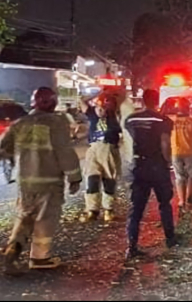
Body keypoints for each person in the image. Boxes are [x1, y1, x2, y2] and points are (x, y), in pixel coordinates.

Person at [1, 87, 82, 274]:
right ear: (51, 102)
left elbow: (3, 149)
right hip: (49, 182)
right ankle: (40, 258)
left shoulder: (20, 124)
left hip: (26, 183)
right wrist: (75, 177)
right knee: (45, 219)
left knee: (25, 216)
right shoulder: (56, 123)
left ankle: (12, 251)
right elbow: (64, 152)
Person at [124, 89, 177, 259]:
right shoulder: (163, 120)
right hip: (157, 166)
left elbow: (131, 138)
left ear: (143, 100)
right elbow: (165, 144)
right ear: (156, 100)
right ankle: (170, 238)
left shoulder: (131, 119)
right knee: (164, 203)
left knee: (137, 208)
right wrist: (168, 163)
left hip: (139, 164)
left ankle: (131, 246)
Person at [79, 93, 123, 223]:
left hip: (109, 148)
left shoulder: (115, 116)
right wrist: (98, 93)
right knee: (92, 178)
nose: (102, 108)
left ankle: (108, 210)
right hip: (93, 149)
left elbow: (122, 99)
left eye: (107, 104)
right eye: (101, 105)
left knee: (109, 179)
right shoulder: (92, 113)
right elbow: (82, 100)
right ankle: (92, 210)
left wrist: (112, 96)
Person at [170, 97, 192, 213]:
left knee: (180, 177)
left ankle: (181, 201)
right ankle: (189, 199)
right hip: (190, 152)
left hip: (175, 152)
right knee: (191, 176)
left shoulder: (172, 121)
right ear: (187, 108)